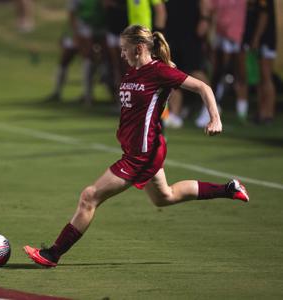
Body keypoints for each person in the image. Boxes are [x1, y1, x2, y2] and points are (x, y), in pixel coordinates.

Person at [24, 25, 249, 268]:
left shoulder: (160, 72)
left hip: (142, 155)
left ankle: (52, 254)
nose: (121, 54)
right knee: (165, 196)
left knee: (89, 196)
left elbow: (203, 88)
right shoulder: (132, 73)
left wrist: (215, 118)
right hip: (140, 150)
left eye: (125, 49)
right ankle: (228, 188)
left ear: (139, 48)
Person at [164, 0, 212, 128]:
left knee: (195, 71)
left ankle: (211, 107)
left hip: (190, 29)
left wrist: (205, 19)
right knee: (171, 71)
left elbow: (205, 3)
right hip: (171, 29)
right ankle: (175, 113)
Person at [236, 0, 277, 125]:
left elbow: (264, 16)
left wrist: (256, 38)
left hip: (265, 40)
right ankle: (261, 111)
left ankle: (268, 112)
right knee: (259, 78)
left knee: (266, 77)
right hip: (257, 40)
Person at [209, 0, 247, 122]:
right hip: (219, 35)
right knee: (219, 73)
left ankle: (242, 110)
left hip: (236, 36)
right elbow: (212, 11)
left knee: (238, 74)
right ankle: (215, 105)